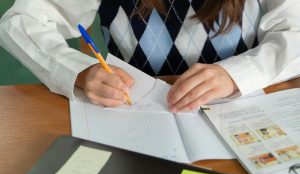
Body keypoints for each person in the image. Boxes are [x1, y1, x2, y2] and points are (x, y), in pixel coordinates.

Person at [0, 0, 299, 113]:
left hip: (240, 111)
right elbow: (20, 21)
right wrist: (78, 71)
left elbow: (295, 30)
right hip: (137, 114)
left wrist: (236, 74)